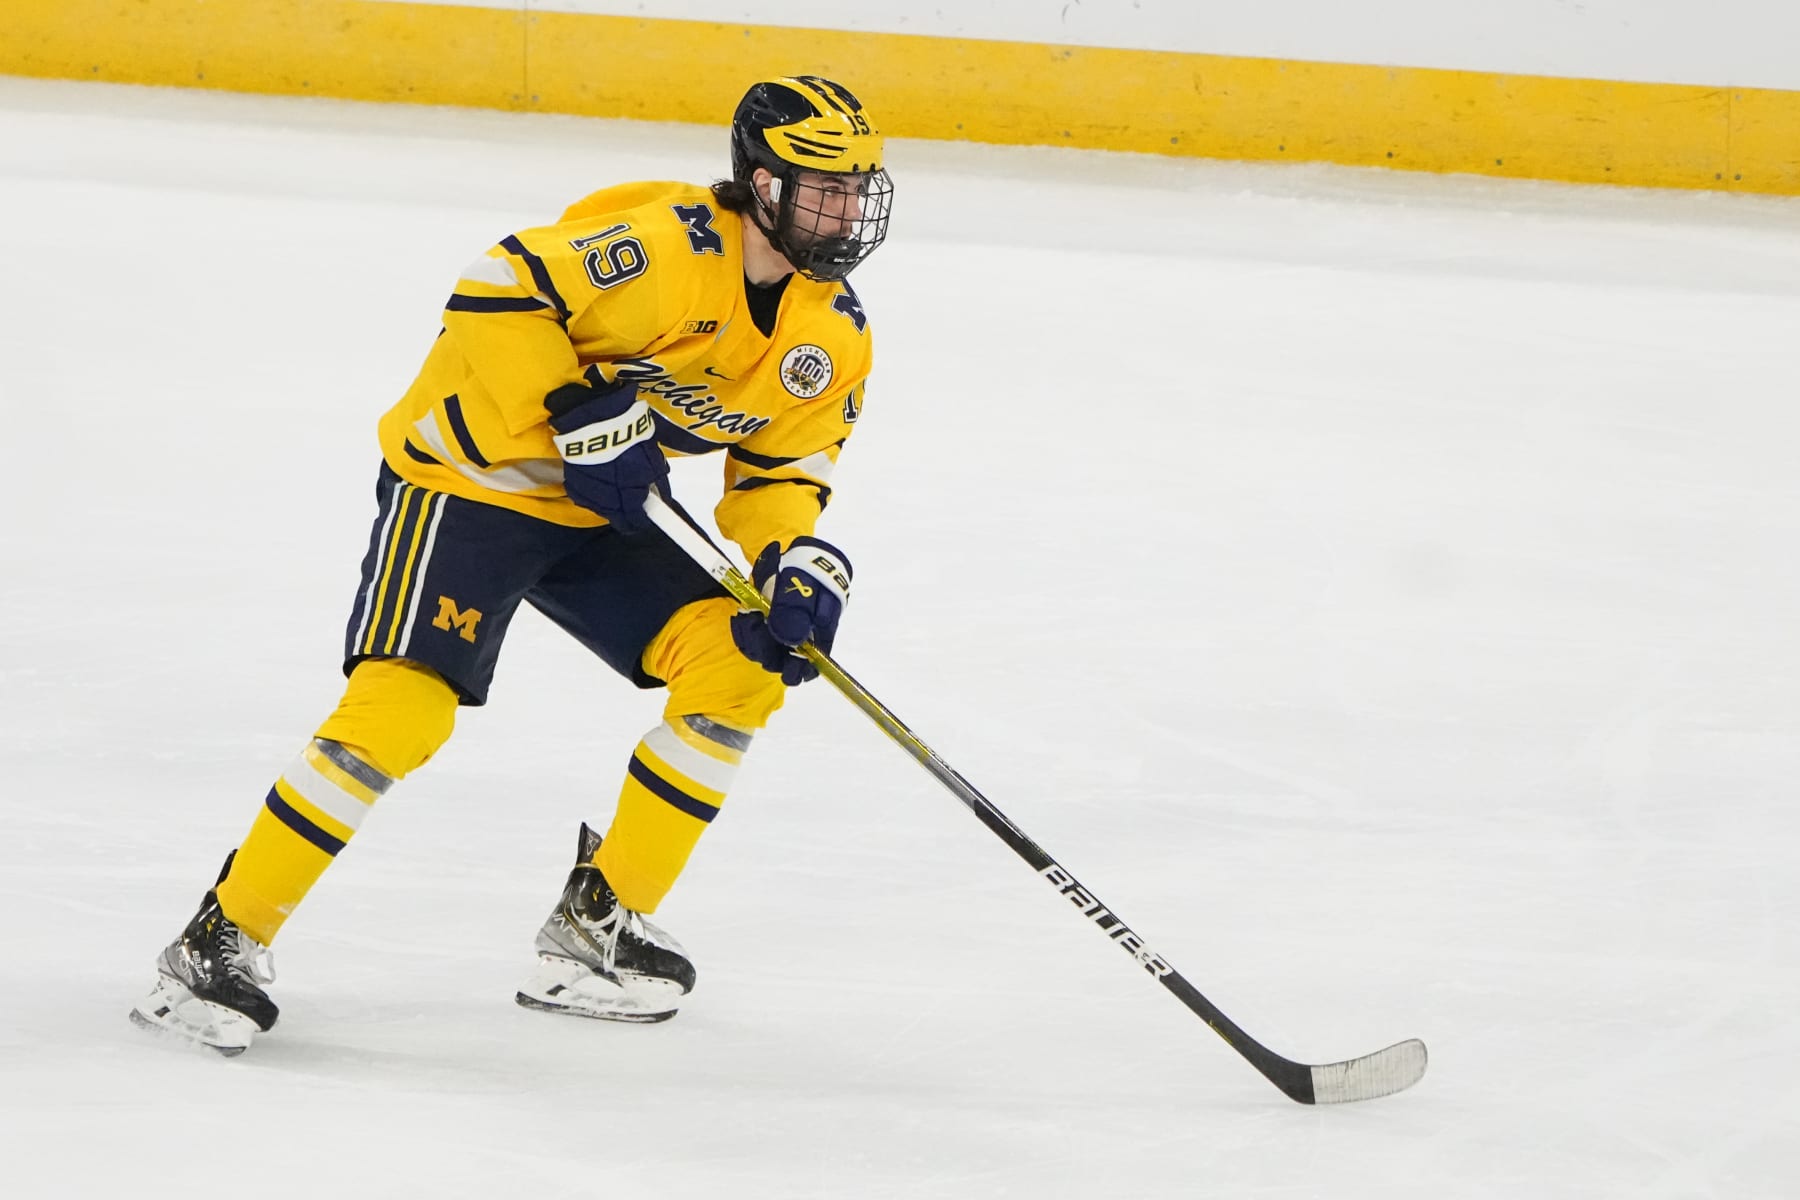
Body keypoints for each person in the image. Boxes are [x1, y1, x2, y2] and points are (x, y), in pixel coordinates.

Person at [129, 75, 894, 1054]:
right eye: (823, 187)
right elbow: (496, 287)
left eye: (857, 187)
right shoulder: (662, 250)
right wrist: (573, 410)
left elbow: (782, 465)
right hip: (470, 481)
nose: (845, 210)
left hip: (594, 510)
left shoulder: (831, 333)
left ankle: (596, 931)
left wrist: (793, 558)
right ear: (760, 183)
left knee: (741, 663)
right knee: (404, 709)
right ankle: (219, 939)